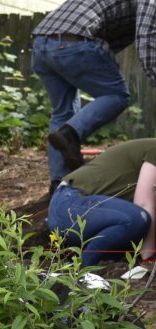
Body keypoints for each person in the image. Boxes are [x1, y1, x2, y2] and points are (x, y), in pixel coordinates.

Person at [31, 0, 156, 192]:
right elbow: (146, 39)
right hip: (75, 40)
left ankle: (59, 184)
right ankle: (70, 134)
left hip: (41, 43)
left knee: (63, 114)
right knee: (117, 95)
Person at [48, 137, 156, 267]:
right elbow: (144, 203)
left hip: (93, 220)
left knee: (135, 228)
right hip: (70, 205)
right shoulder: (154, 148)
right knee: (137, 218)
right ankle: (83, 271)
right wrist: (147, 258)